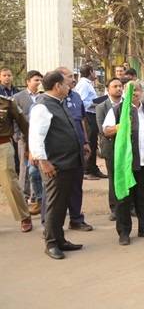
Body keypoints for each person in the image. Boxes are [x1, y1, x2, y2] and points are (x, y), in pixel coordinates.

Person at [30, 71, 83, 259]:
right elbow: (36, 137)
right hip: (55, 165)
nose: (70, 85)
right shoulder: (42, 107)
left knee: (62, 204)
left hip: (68, 163)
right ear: (57, 86)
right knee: (54, 205)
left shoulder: (58, 104)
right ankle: (51, 243)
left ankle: (60, 239)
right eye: (67, 83)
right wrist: (43, 161)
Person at [103, 80, 144, 245]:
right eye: (130, 90)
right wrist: (120, 126)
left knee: (143, 196)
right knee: (123, 198)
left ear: (141, 92)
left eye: (136, 90)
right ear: (124, 92)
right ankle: (124, 232)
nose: (134, 93)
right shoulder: (117, 110)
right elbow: (106, 131)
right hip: (125, 163)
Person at [55, 67, 93, 232]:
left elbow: (82, 121)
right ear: (60, 81)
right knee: (55, 189)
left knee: (76, 185)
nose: (73, 79)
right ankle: (50, 224)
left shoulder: (76, 96)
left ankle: (76, 219)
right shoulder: (49, 100)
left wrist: (85, 142)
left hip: (77, 148)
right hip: (59, 152)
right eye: (70, 77)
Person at [0, 91, 32, 233]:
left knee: (10, 182)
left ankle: (24, 216)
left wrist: (28, 148)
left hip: (3, 145)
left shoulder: (7, 103)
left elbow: (24, 125)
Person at [13, 70, 43, 214]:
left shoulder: (42, 97)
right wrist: (18, 136)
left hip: (40, 138)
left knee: (37, 168)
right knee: (25, 168)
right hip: (24, 138)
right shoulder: (18, 97)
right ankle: (23, 198)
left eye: (40, 80)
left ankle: (37, 198)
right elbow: (13, 118)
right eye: (36, 80)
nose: (38, 83)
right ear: (28, 81)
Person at [96, 78, 124, 220]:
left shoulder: (128, 104)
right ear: (108, 89)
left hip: (127, 148)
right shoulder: (101, 107)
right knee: (113, 178)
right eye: (115, 86)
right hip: (111, 147)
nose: (118, 88)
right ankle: (114, 208)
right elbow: (103, 130)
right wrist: (121, 128)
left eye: (120, 86)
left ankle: (129, 207)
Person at [74, 64, 106, 179]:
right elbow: (82, 102)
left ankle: (93, 168)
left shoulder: (88, 84)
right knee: (90, 142)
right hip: (88, 115)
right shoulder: (83, 84)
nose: (96, 74)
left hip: (92, 114)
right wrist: (96, 104)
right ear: (91, 72)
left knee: (93, 142)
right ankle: (87, 170)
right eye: (95, 72)